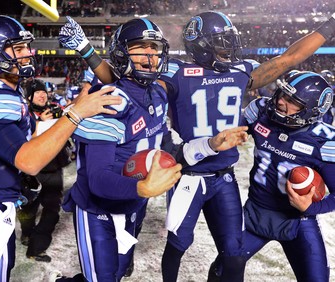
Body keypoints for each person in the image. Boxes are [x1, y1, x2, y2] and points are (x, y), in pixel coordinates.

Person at [58, 11, 335, 282]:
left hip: (223, 173)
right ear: (202, 45)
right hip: (187, 170)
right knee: (178, 243)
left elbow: (291, 57)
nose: (230, 50)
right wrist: (87, 51)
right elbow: (125, 77)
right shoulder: (176, 73)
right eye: (222, 43)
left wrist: (330, 25)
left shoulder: (241, 71)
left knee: (233, 251)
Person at [54, 17, 248, 282]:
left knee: (119, 271)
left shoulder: (157, 95)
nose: (150, 54)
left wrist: (210, 145)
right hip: (97, 208)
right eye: (140, 47)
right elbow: (97, 178)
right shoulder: (108, 101)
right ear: (122, 52)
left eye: (155, 48)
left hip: (134, 205)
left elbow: (170, 150)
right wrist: (142, 189)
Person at [0, 15, 122, 282]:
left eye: (27, 47)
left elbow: (26, 137)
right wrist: (76, 115)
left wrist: (71, 111)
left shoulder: (2, 86)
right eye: (19, 48)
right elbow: (29, 160)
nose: (28, 54)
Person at [212, 71, 335, 281]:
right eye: (282, 94)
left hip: (297, 221)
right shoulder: (260, 111)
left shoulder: (324, 141)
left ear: (312, 111)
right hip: (255, 214)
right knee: (220, 272)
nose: (279, 101)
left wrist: (312, 207)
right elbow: (224, 131)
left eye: (292, 100)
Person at [17, 79, 72, 263]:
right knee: (29, 208)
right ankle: (26, 233)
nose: (42, 95)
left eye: (44, 91)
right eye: (37, 92)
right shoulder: (23, 113)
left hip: (54, 169)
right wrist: (40, 122)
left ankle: (36, 247)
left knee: (52, 210)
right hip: (32, 170)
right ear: (29, 96)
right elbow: (21, 140)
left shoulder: (56, 109)